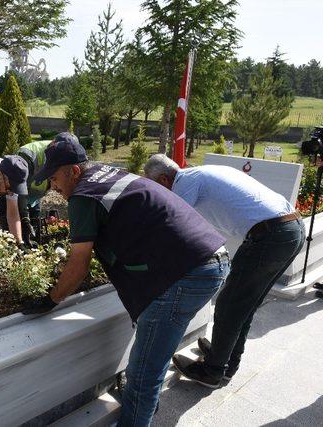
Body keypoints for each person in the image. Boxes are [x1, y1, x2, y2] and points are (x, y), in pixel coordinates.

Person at [22, 140, 230, 426]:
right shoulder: (110, 173)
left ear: (72, 171)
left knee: (143, 372)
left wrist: (50, 300)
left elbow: (79, 265)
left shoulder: (83, 195)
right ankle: (147, 406)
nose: (53, 187)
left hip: (186, 274)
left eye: (54, 178)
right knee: (152, 357)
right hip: (209, 259)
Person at [144, 154, 306, 388]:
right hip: (290, 228)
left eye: (154, 186)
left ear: (163, 180)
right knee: (243, 305)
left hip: (270, 236)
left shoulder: (183, 185)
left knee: (229, 305)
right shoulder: (198, 174)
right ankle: (226, 360)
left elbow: (172, 227)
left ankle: (212, 370)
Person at [0, 135, 65, 244]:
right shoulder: (29, 155)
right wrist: (24, 218)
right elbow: (18, 192)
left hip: (34, 195)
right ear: (52, 144)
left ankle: (30, 250)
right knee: (14, 231)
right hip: (13, 191)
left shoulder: (64, 154)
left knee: (34, 231)